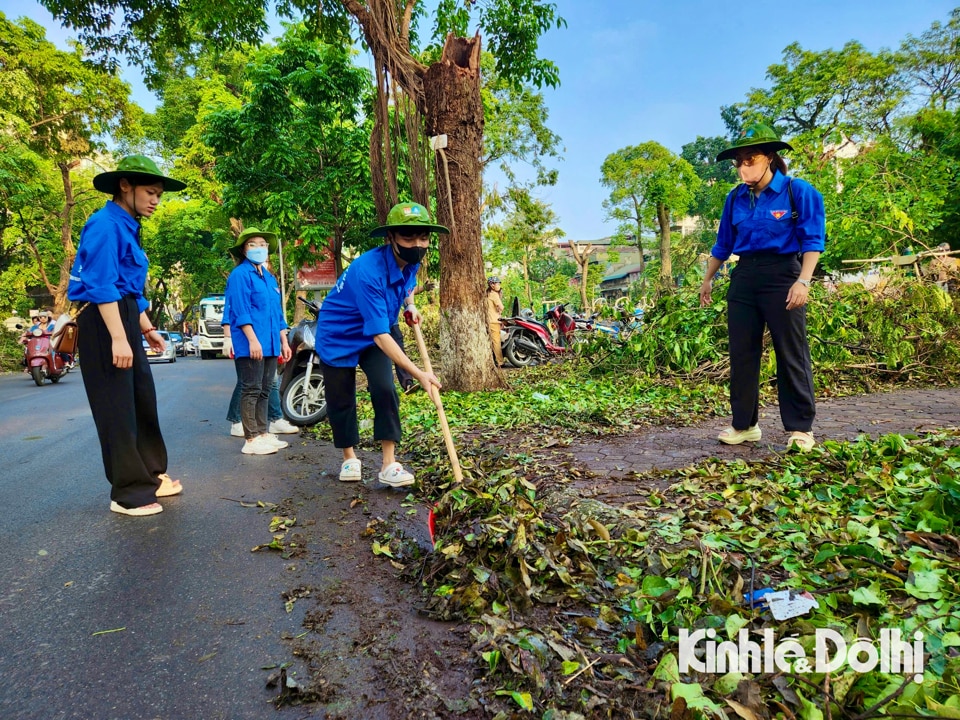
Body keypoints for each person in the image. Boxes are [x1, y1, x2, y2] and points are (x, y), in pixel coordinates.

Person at [67, 155, 186, 516]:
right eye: (150, 192)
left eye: (159, 195)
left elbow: (130, 287)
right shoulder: (104, 224)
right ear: (125, 186)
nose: (155, 201)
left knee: (141, 399)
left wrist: (146, 327)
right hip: (105, 321)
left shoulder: (128, 224)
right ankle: (128, 493)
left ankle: (151, 474)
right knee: (117, 407)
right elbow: (101, 285)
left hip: (126, 315)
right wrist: (119, 337)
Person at [699, 124, 825, 452]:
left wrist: (803, 281)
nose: (743, 167)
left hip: (783, 275)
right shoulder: (735, 198)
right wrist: (708, 278)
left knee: (790, 350)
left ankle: (800, 429)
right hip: (744, 278)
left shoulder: (798, 191)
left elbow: (813, 240)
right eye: (738, 162)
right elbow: (723, 243)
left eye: (750, 160)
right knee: (742, 352)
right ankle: (744, 425)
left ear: (769, 157)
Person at [316, 201, 444, 487]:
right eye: (408, 237)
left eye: (423, 237)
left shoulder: (412, 262)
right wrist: (420, 373)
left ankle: (389, 464)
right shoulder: (368, 271)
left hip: (373, 332)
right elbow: (381, 336)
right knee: (342, 398)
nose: (417, 244)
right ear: (391, 238)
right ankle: (349, 458)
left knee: (385, 389)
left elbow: (406, 284)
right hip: (338, 336)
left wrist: (409, 305)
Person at [222, 227, 292, 455]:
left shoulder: (269, 277)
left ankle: (263, 433)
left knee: (264, 389)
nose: (259, 248)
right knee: (251, 388)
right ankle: (251, 439)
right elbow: (240, 311)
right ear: (244, 249)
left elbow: (277, 314)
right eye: (253, 244)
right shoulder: (240, 275)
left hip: (271, 342)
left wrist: (284, 341)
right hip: (252, 343)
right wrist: (252, 340)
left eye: (262, 244)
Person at [221, 322, 299, 436]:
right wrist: (227, 338)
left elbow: (278, 318)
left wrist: (283, 342)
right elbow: (233, 314)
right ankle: (238, 422)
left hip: (267, 343)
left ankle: (272, 422)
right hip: (248, 343)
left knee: (270, 383)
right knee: (248, 384)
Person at [391, 279, 435, 393]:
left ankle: (408, 383)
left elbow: (408, 289)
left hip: (393, 323)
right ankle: (378, 385)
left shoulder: (408, 272)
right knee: (379, 353)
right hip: (377, 323)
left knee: (399, 350)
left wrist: (410, 306)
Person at [486, 276, 504, 366]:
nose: (499, 285)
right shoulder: (494, 294)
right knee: (497, 342)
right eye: (498, 283)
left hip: (489, 321)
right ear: (492, 285)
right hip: (494, 321)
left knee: (492, 342)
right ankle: (500, 362)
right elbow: (501, 307)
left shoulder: (487, 294)